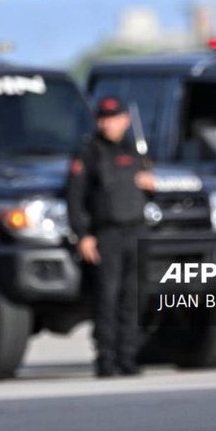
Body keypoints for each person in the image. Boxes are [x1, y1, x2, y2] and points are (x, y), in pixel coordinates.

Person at [65, 96, 156, 377]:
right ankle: (106, 358)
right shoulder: (88, 152)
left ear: (125, 120)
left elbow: (148, 190)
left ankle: (128, 356)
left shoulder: (135, 150)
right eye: (103, 118)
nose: (108, 124)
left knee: (134, 296)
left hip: (136, 230)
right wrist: (83, 235)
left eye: (113, 118)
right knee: (107, 297)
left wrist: (151, 185)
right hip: (107, 233)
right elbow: (75, 198)